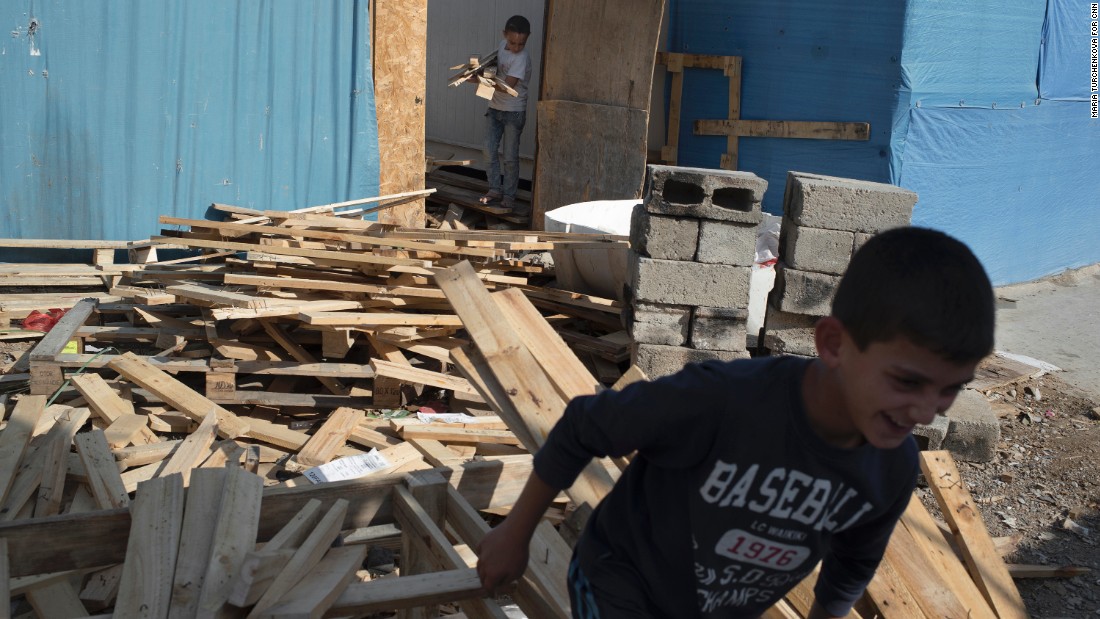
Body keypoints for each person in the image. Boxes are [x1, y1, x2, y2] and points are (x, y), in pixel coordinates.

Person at [475, 226, 996, 618]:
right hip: (621, 582)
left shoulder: (891, 468)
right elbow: (584, 425)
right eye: (906, 382)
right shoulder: (722, 402)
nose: (926, 412)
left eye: (950, 388)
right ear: (834, 344)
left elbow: (853, 564)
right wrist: (514, 535)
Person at [477, 15, 532, 215]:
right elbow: (493, 63)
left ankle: (509, 195)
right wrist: (480, 69)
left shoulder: (522, 58)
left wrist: (478, 80)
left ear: (527, 40)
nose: (516, 47)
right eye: (512, 42)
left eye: (521, 43)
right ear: (504, 36)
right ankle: (494, 189)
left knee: (509, 157)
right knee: (488, 150)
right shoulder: (502, 45)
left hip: (514, 112)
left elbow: (507, 85)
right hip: (495, 108)